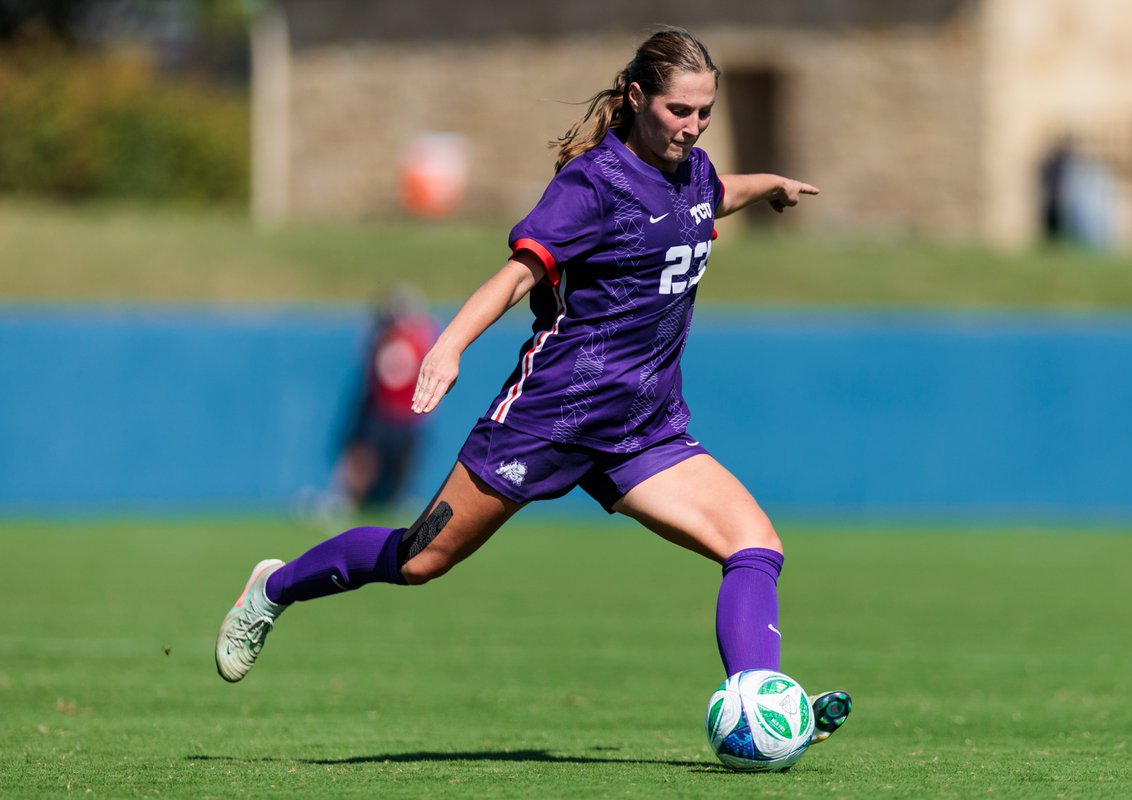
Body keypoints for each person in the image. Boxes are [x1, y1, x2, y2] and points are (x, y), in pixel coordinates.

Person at [216, 27, 852, 746]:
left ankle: (758, 701)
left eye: (706, 112)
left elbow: (708, 200)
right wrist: (449, 346)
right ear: (637, 97)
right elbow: (519, 275)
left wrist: (764, 185)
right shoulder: (593, 184)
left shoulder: (694, 173)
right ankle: (274, 588)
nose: (694, 126)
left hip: (641, 429)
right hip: (549, 417)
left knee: (755, 545)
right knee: (419, 559)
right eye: (680, 111)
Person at [335, 284, 439, 512]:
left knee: (404, 465)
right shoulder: (379, 337)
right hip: (381, 412)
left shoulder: (419, 337)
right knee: (364, 457)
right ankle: (346, 497)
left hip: (408, 413)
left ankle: (403, 499)